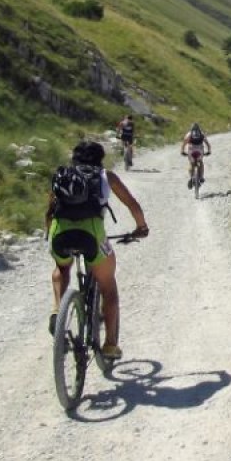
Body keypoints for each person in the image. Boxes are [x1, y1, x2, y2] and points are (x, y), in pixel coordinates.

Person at [46, 140, 149, 360]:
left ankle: (57, 310)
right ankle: (110, 345)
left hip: (60, 232)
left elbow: (50, 210)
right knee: (108, 286)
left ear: (74, 157)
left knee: (61, 268)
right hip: (91, 234)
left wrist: (49, 234)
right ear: (99, 158)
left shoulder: (63, 175)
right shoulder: (106, 176)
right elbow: (132, 204)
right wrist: (141, 227)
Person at [181, 122, 212, 188]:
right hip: (200, 150)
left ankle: (191, 177)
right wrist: (208, 151)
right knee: (200, 162)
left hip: (191, 150)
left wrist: (182, 151)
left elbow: (184, 144)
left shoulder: (189, 134)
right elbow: (208, 144)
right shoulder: (201, 133)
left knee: (191, 163)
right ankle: (201, 177)